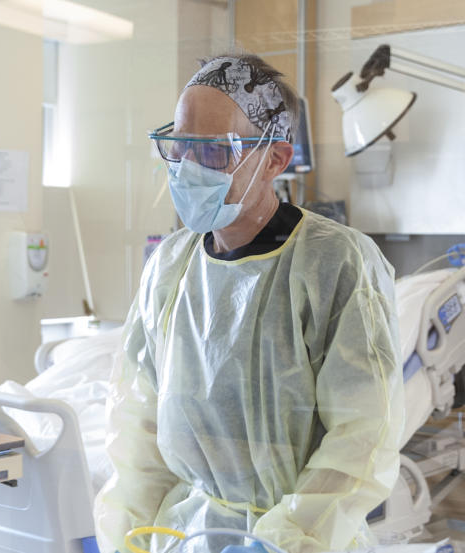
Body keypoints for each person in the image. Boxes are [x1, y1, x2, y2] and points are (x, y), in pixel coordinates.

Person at [93, 53, 404, 553]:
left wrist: (287, 537)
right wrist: (127, 532)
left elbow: (364, 434)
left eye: (214, 152)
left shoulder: (335, 264)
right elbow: (138, 428)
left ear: (275, 160)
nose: (188, 168)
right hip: (183, 535)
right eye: (178, 146)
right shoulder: (170, 267)